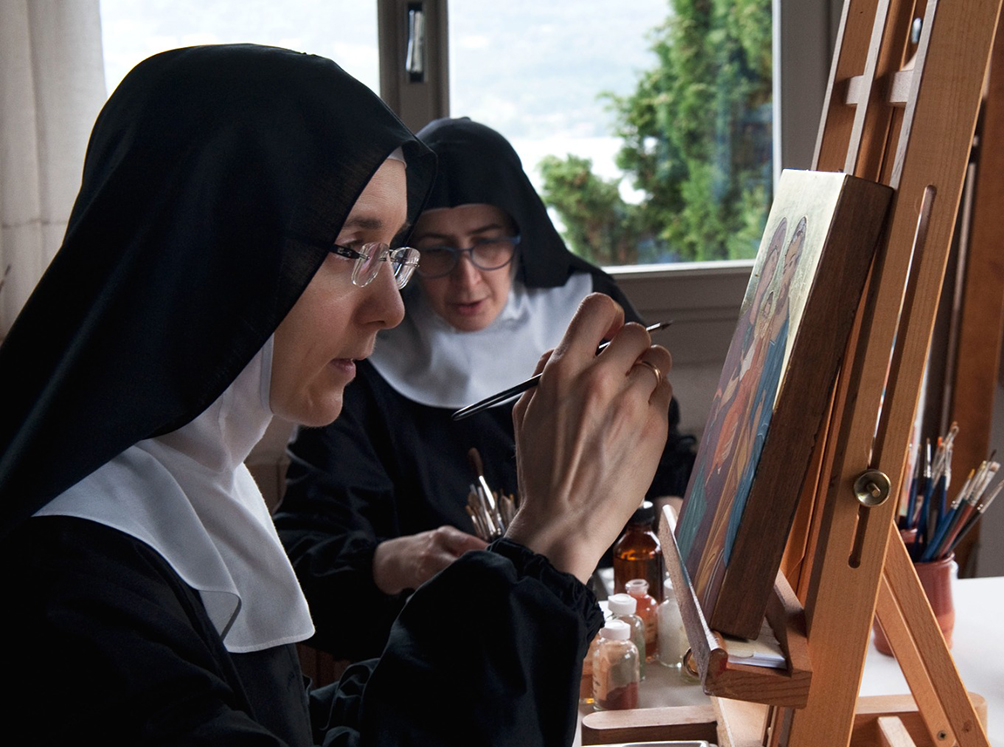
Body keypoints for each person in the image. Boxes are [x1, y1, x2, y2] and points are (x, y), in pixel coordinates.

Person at [0, 45, 673, 747]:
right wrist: (549, 544)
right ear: (217, 250)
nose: (390, 307)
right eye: (354, 247)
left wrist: (506, 589)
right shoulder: (63, 581)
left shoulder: (185, 483)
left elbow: (271, 740)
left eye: (392, 254)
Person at [275, 117, 696, 660]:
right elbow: (307, 546)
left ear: (523, 237)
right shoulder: (364, 350)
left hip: (606, 635)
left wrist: (672, 528)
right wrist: (396, 560)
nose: (467, 279)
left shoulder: (589, 311)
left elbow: (664, 456)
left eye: (487, 243)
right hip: (438, 654)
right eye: (437, 251)